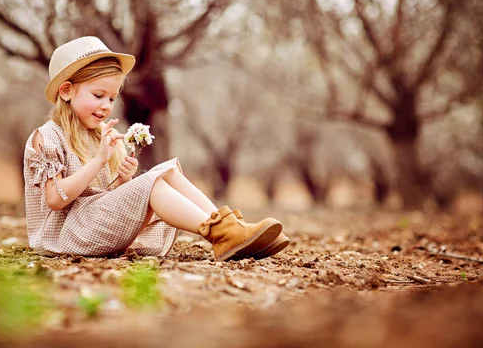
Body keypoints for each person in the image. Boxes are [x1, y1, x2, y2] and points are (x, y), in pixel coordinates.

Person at [23, 36, 290, 261]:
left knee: (167, 170)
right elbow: (55, 200)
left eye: (112, 98)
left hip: (90, 224)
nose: (106, 105)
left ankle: (229, 229)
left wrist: (123, 180)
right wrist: (99, 161)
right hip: (64, 235)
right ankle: (220, 235)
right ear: (67, 91)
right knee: (151, 183)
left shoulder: (101, 136)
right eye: (98, 95)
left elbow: (100, 196)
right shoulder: (46, 138)